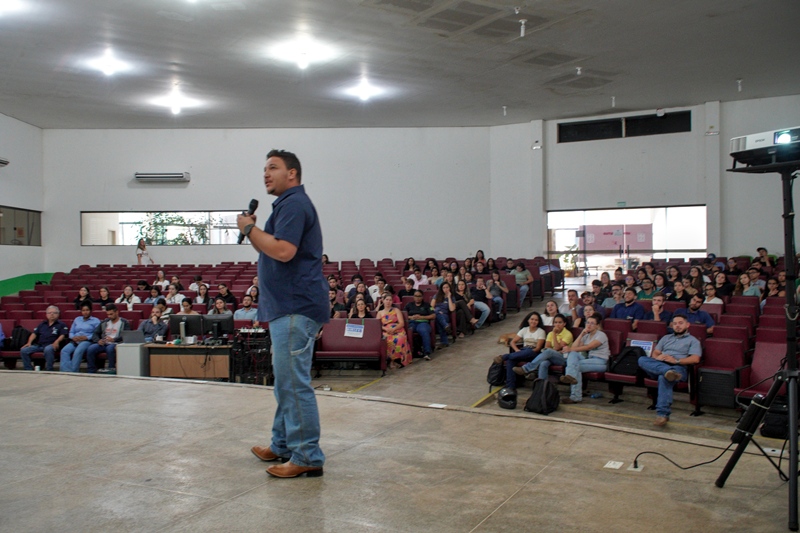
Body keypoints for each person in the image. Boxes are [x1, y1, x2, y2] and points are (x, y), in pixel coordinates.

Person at [237, 149, 328, 479]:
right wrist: (254, 231)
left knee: (293, 384)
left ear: (292, 174)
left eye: (273, 167)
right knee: (285, 383)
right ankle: (282, 443)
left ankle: (306, 455)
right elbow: (270, 246)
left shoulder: (293, 204)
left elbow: (283, 251)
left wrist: (249, 229)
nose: (266, 173)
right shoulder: (286, 206)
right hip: (287, 307)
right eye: (264, 168)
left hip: (295, 307)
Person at [637, 314, 702, 426]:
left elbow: (695, 359)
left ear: (687, 325)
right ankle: (667, 371)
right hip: (660, 364)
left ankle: (662, 415)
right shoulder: (666, 338)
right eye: (675, 323)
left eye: (680, 323)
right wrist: (658, 357)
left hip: (679, 367)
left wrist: (676, 361)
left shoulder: (693, 341)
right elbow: (655, 352)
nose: (677, 326)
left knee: (664, 378)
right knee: (641, 359)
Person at [559, 315, 610, 404]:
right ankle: (570, 377)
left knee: (576, 365)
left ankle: (575, 395)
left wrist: (570, 349)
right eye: (587, 322)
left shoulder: (601, 335)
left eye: (592, 323)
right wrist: (581, 334)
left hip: (601, 361)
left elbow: (589, 347)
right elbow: (574, 347)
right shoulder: (586, 336)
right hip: (589, 360)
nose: (589, 325)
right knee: (573, 354)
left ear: (597, 325)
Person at [493, 312, 546, 390]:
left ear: (538, 322)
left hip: (534, 352)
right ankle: (510, 386)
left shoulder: (541, 331)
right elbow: (512, 342)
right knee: (510, 360)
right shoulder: (524, 330)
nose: (533, 321)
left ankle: (504, 357)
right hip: (523, 351)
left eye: (536, 320)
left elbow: (538, 348)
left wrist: (524, 352)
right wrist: (517, 350)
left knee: (525, 352)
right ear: (528, 320)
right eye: (532, 319)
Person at [514, 313, 573, 380]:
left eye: (560, 322)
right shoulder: (550, 333)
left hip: (563, 358)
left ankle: (526, 369)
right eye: (555, 322)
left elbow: (556, 347)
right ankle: (542, 386)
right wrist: (553, 349)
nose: (557, 324)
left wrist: (554, 334)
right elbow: (547, 347)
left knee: (549, 352)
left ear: (564, 324)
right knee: (543, 363)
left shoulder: (567, 334)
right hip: (551, 357)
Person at [20, 306, 68, 371]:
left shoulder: (61, 324)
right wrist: (29, 342)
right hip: (39, 345)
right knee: (24, 350)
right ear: (46, 314)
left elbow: (63, 335)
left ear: (58, 314)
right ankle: (28, 369)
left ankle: (49, 369)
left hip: (51, 345)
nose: (52, 314)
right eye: (49, 313)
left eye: (54, 313)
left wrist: (57, 342)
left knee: (48, 349)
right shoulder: (42, 324)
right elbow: (34, 333)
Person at [86, 304, 131, 374]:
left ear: (117, 312)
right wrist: (98, 340)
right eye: (108, 314)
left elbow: (127, 335)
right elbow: (95, 333)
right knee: (91, 348)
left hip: (116, 343)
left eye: (111, 314)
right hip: (104, 343)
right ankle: (91, 371)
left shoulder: (124, 322)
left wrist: (114, 339)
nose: (109, 316)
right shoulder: (104, 322)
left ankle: (111, 369)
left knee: (110, 349)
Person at [60, 302, 101, 372]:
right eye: (83, 310)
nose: (85, 312)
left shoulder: (95, 320)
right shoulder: (77, 319)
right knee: (64, 351)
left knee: (78, 351)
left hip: (87, 341)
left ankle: (73, 371)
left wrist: (86, 337)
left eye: (87, 310)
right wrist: (73, 337)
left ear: (90, 311)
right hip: (75, 340)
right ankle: (65, 371)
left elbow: (97, 333)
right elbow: (71, 332)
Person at [376, 293, 413, 369]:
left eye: (390, 300)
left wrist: (393, 329)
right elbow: (377, 325)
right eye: (387, 300)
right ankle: (390, 361)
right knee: (386, 340)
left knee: (399, 339)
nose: (388, 301)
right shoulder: (380, 312)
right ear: (383, 300)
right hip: (385, 330)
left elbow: (401, 323)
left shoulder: (396, 310)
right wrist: (387, 329)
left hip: (397, 329)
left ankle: (398, 360)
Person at [405, 290, 435, 360]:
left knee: (424, 331)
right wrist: (411, 317)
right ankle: (409, 352)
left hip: (423, 322)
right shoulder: (409, 305)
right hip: (412, 322)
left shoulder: (427, 305)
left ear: (422, 297)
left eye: (419, 296)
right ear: (413, 297)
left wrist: (422, 317)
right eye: (415, 296)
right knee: (408, 331)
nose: (417, 298)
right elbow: (403, 315)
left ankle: (427, 352)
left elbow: (433, 315)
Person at [431, 282, 456, 347]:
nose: (445, 289)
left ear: (449, 288)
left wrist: (449, 297)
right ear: (441, 289)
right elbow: (431, 307)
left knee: (439, 319)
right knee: (438, 316)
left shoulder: (452, 297)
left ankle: (444, 341)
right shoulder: (436, 296)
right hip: (436, 313)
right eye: (444, 288)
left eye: (447, 287)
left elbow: (452, 309)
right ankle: (446, 326)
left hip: (445, 315)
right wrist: (437, 311)